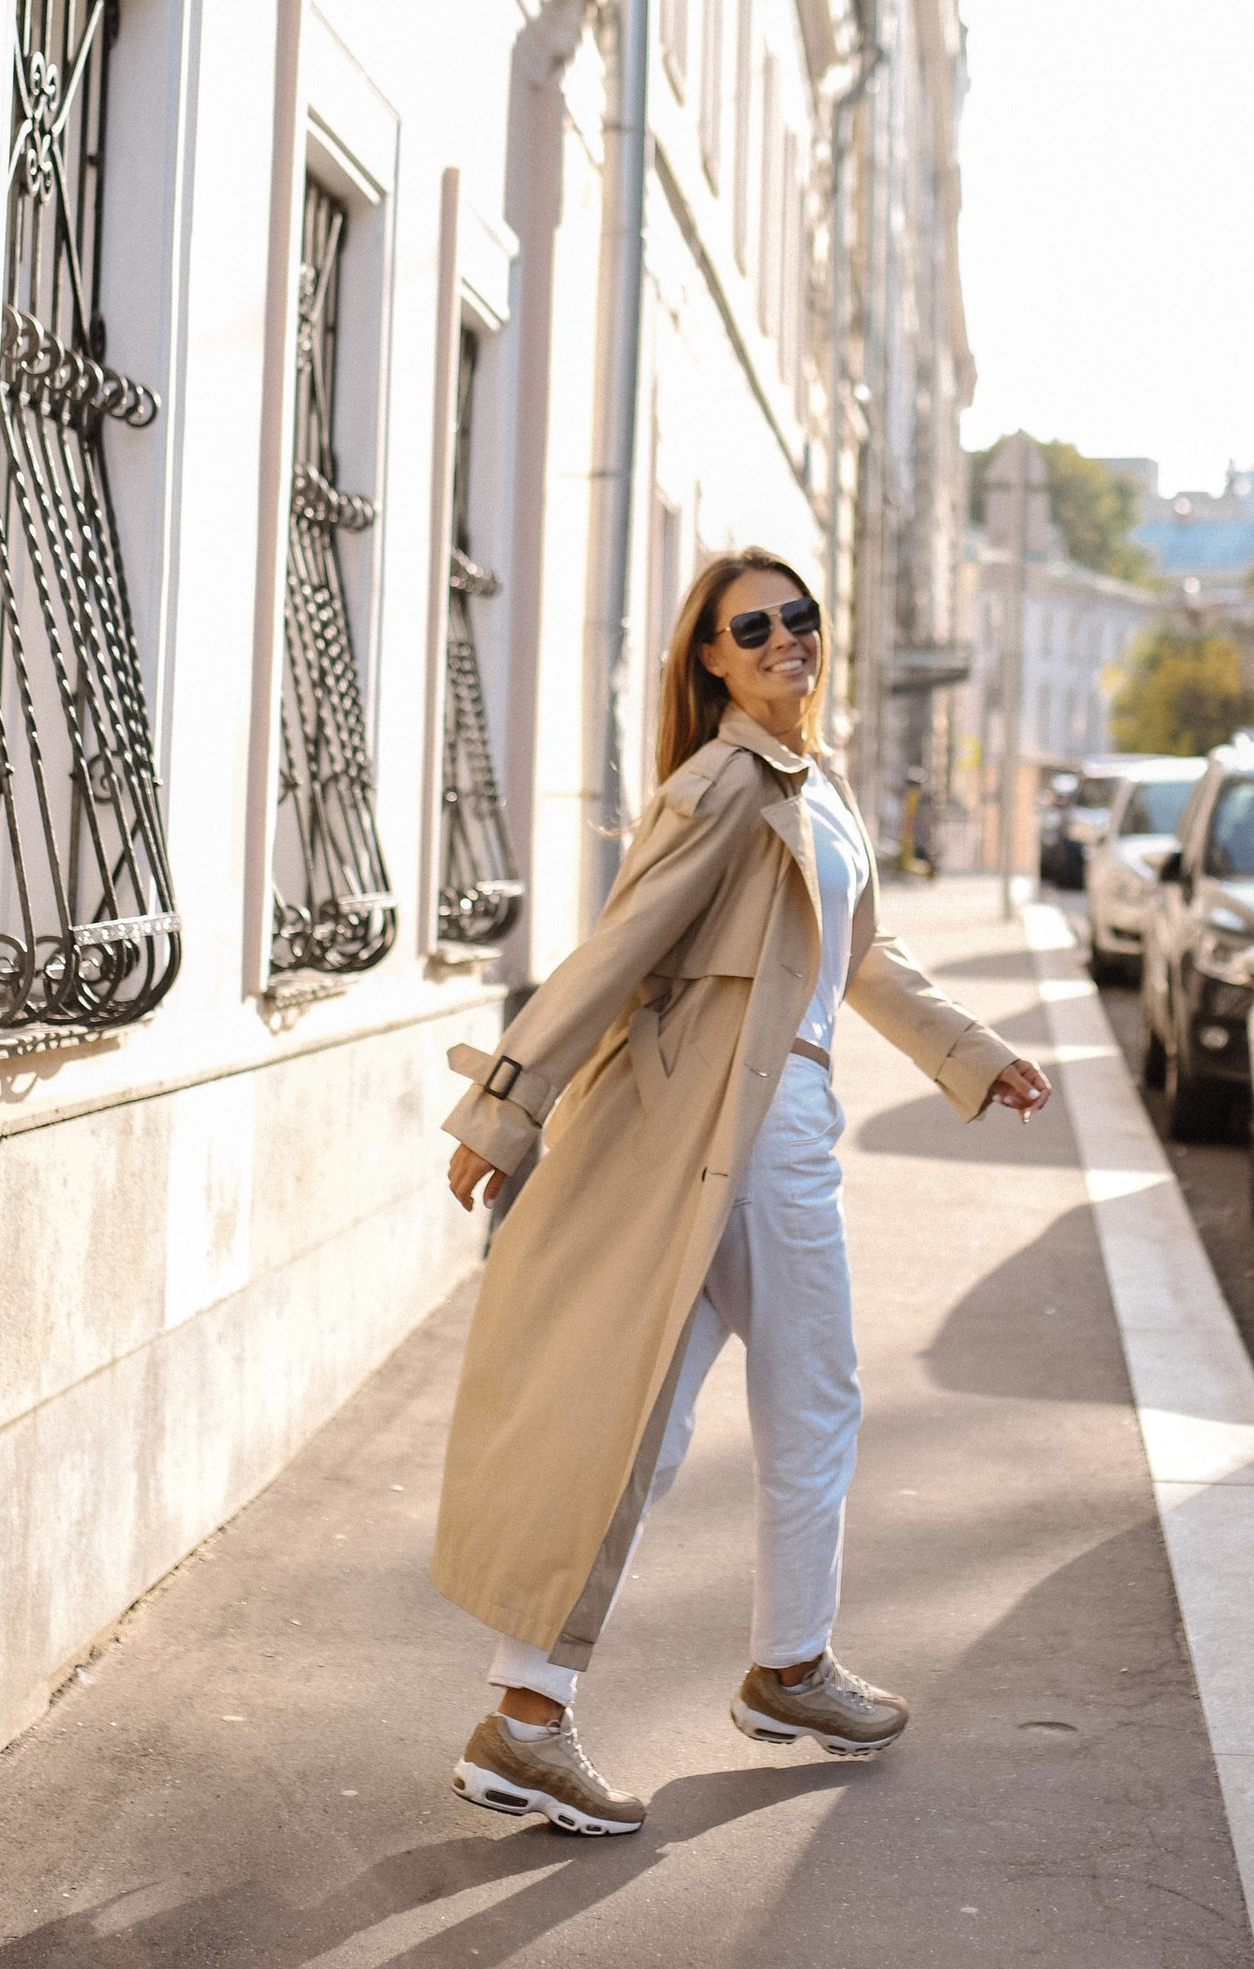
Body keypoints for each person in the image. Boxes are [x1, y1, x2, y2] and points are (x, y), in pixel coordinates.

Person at [435, 548, 1050, 1836]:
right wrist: (508, 1102)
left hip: (782, 1113)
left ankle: (530, 1715)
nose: (785, 639)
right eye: (751, 626)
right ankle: (784, 1670)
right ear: (709, 656)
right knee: (814, 1397)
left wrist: (971, 1055)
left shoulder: (814, 784)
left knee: (651, 1428)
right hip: (747, 1127)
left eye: (799, 619)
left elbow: (862, 957)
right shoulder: (725, 785)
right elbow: (620, 948)